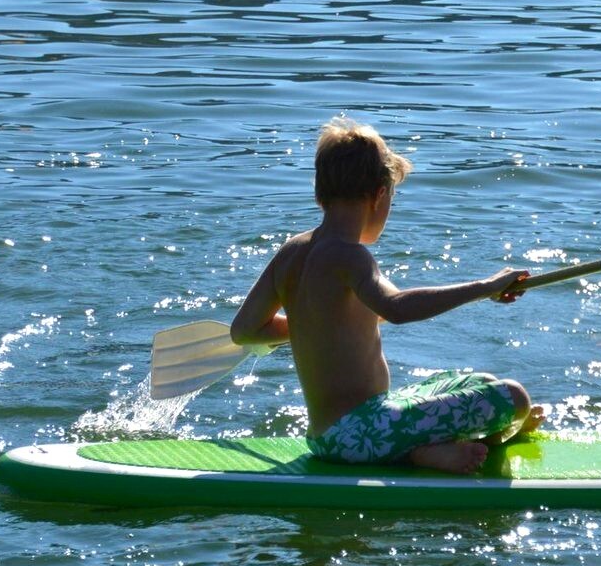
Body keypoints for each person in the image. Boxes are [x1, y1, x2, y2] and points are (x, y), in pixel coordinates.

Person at [229, 117, 542, 474]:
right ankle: (421, 452)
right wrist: (486, 287)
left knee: (481, 384)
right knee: (515, 396)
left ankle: (456, 439)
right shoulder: (352, 256)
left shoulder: (291, 252)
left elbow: (245, 330)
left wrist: (315, 328)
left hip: (326, 435)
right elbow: (396, 308)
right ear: (379, 195)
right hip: (360, 435)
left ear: (320, 192)